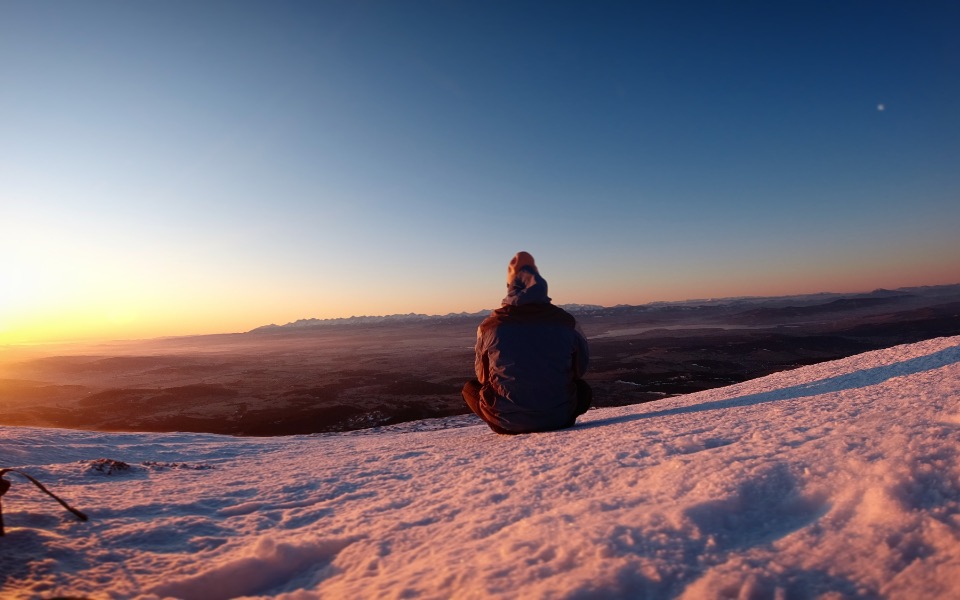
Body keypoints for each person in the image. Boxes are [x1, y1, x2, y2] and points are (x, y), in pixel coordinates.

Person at [462, 251, 592, 434]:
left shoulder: (490, 326)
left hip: (506, 423)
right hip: (561, 418)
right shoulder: (566, 321)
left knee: (470, 388)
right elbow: (580, 369)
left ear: (510, 286)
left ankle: (509, 416)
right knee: (583, 389)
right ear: (541, 284)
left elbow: (482, 377)